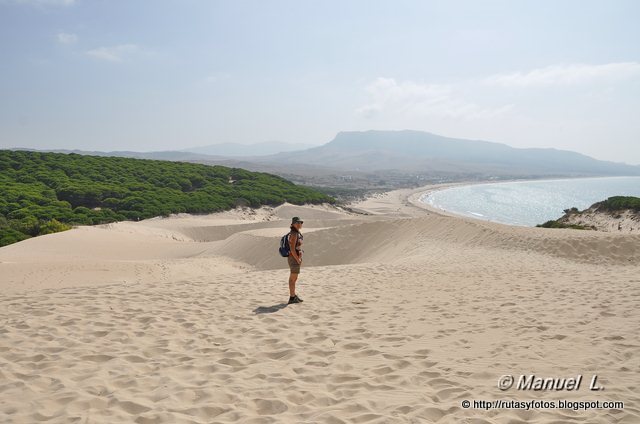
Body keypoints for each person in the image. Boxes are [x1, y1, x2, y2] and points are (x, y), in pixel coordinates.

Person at [287, 217, 304, 304]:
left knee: (295, 278)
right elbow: (292, 249)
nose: (299, 224)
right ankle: (292, 297)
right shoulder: (293, 234)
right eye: (297, 222)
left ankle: (293, 296)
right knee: (292, 278)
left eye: (300, 222)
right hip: (294, 258)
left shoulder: (297, 233)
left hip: (296, 258)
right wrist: (297, 259)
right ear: (293, 224)